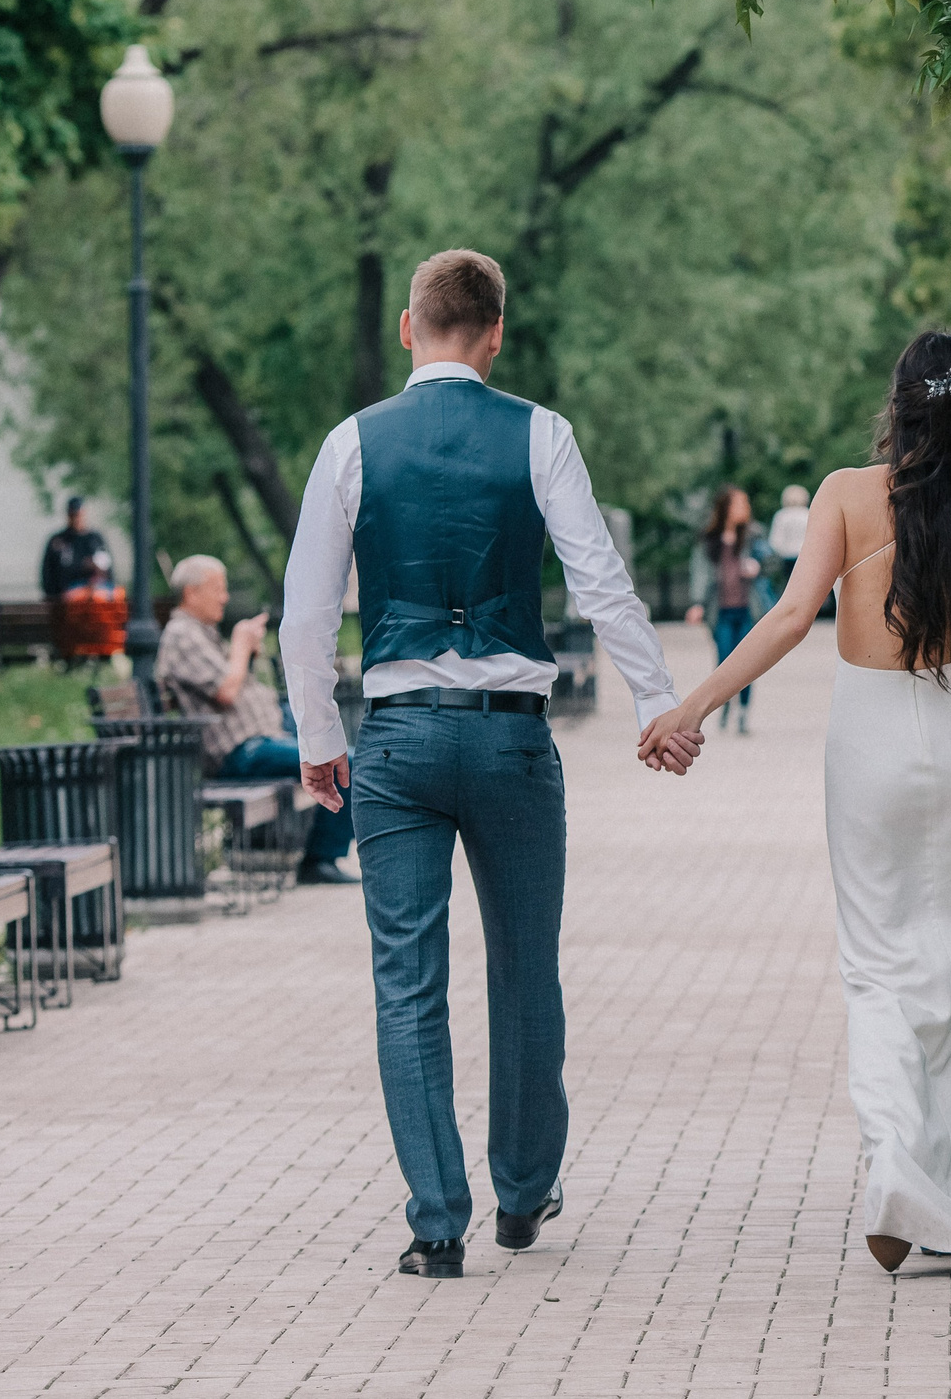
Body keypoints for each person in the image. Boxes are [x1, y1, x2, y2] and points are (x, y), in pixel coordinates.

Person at [282, 248, 705, 1283]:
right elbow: (599, 578)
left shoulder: (352, 444)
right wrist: (660, 704)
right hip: (511, 737)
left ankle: (437, 1224)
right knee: (526, 968)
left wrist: (318, 740)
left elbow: (304, 614)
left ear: (406, 326)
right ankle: (521, 1195)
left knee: (406, 983)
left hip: (395, 744)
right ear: (496, 333)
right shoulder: (539, 433)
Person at [638, 331, 951, 1276]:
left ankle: (894, 1163)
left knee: (879, 966)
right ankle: (947, 1185)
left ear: (902, 404)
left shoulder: (844, 492)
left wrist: (691, 706)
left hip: (868, 742)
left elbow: (791, 617)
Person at [155, 555, 358, 884]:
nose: (224, 597)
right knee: (343, 761)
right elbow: (226, 690)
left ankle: (326, 853)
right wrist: (239, 644)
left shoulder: (200, 633)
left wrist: (247, 651)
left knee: (335, 743)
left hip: (259, 741)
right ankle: (320, 861)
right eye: (217, 589)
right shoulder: (181, 635)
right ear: (191, 594)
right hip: (239, 754)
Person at [684, 486, 771, 734]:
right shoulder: (709, 539)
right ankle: (722, 705)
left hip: (748, 610)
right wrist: (697, 603)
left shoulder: (754, 536)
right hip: (720, 611)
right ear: (726, 508)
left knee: (747, 665)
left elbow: (772, 561)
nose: (745, 509)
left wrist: (757, 566)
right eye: (739, 504)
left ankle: (742, 713)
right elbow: (700, 573)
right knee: (723, 661)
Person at [39, 497, 112, 597]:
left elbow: (108, 570)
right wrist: (82, 566)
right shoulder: (59, 541)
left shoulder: (95, 539)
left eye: (79, 515)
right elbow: (52, 574)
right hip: (69, 594)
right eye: (73, 515)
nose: (77, 519)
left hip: (97, 593)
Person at [766, 483, 812, 586]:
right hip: (806, 558)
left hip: (787, 559)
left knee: (788, 587)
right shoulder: (808, 514)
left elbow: (775, 541)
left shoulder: (781, 516)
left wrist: (782, 551)